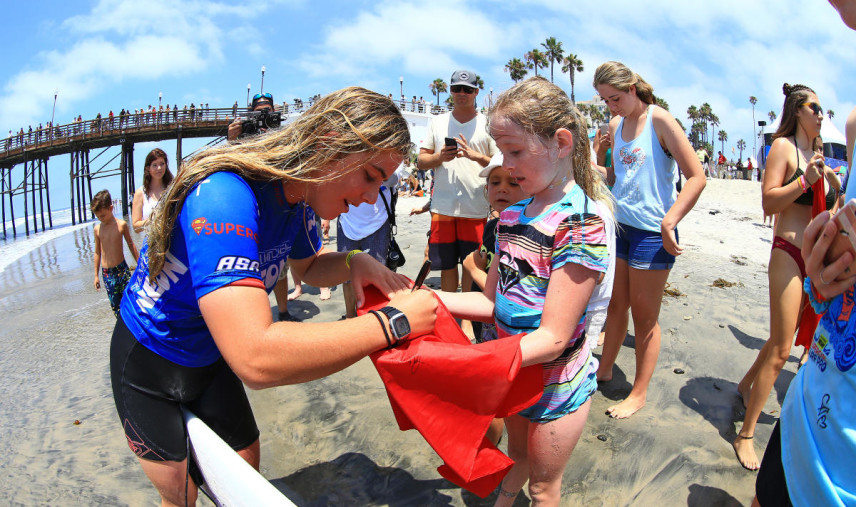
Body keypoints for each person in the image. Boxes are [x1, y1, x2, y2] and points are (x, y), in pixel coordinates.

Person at [111, 87, 438, 506]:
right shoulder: (225, 194)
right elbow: (254, 357)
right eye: (370, 176)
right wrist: (394, 322)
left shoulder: (300, 197)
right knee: (181, 495)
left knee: (243, 470)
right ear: (328, 144)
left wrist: (356, 261)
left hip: (210, 356)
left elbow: (307, 268)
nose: (372, 197)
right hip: (150, 358)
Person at [439, 77, 611, 506]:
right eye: (502, 151)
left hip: (554, 382)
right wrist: (428, 299)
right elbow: (488, 300)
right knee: (516, 454)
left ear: (561, 143)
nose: (507, 164)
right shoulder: (512, 216)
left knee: (543, 487)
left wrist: (473, 361)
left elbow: (554, 336)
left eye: (515, 151)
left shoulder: (580, 223)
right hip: (511, 369)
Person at [734, 83, 841, 471]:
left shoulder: (820, 155)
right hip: (787, 253)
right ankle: (745, 435)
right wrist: (804, 181)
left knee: (783, 337)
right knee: (782, 350)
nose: (821, 114)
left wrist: (833, 190)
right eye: (814, 107)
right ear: (798, 110)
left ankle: (746, 388)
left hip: (814, 259)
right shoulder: (783, 148)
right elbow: (768, 200)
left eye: (823, 108)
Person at [592, 61, 706, 419]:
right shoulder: (615, 124)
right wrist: (595, 157)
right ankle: (604, 369)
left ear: (631, 89)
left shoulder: (660, 120)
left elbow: (697, 177)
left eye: (615, 98)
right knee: (614, 306)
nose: (611, 106)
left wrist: (671, 220)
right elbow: (615, 177)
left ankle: (638, 393)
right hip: (620, 228)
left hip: (653, 233)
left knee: (645, 318)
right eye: (604, 101)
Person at [228, 92, 329, 316]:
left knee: (280, 264)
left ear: (274, 112)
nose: (263, 116)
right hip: (254, 209)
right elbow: (230, 164)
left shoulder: (281, 134)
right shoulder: (244, 136)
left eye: (267, 111)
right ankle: (255, 314)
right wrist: (233, 138)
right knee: (250, 267)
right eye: (258, 112)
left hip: (280, 208)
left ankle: (283, 310)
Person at [417, 69, 497, 338]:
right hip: (443, 207)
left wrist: (477, 157)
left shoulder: (488, 124)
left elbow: (500, 164)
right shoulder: (437, 122)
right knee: (447, 265)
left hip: (476, 207)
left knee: (470, 265)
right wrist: (440, 157)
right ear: (451, 91)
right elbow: (421, 160)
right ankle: (450, 317)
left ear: (476, 93)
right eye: (457, 89)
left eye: (467, 89)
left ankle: (465, 319)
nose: (461, 94)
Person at [92, 190, 139, 318]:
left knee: (130, 300)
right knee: (115, 306)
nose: (100, 219)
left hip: (122, 269)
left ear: (111, 208)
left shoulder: (121, 225)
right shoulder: (97, 229)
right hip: (107, 273)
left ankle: (132, 326)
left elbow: (131, 245)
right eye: (98, 216)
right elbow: (97, 252)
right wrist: (96, 275)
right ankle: (121, 329)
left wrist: (140, 264)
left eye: (102, 215)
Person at [131, 148, 174, 234]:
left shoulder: (172, 188)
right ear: (148, 168)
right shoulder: (140, 193)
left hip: (172, 239)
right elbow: (136, 228)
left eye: (162, 164)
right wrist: (152, 219)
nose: (159, 168)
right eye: (154, 165)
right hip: (152, 243)